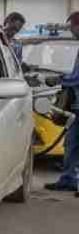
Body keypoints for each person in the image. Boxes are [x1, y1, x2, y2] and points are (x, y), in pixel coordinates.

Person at [46, 11, 79, 195]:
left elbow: (77, 78)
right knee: (71, 143)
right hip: (76, 107)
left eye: (73, 27)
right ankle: (68, 179)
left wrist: (58, 80)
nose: (72, 31)